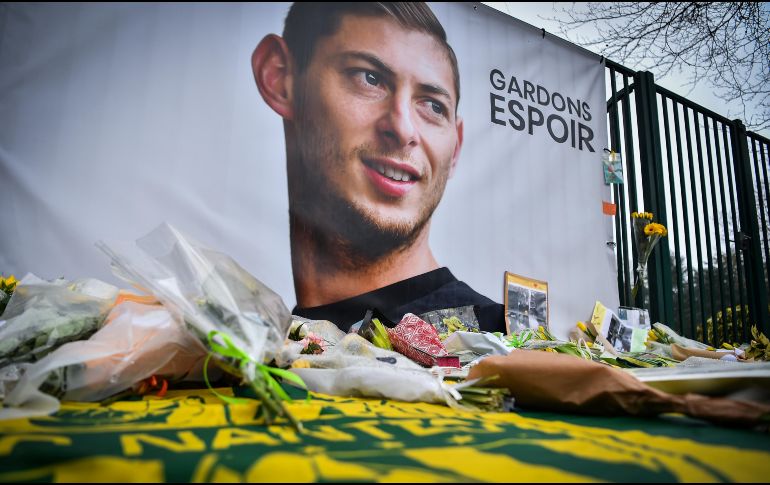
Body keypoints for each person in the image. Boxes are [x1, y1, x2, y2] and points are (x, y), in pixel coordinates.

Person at [252, 2, 504, 332]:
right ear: (280, 77)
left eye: (432, 106)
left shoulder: (496, 345)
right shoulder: (247, 346)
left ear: (455, 148)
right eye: (369, 78)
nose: (403, 129)